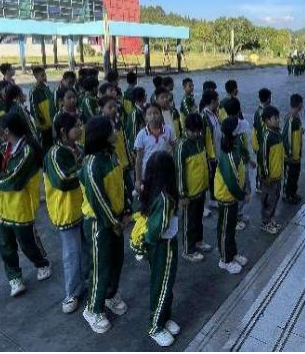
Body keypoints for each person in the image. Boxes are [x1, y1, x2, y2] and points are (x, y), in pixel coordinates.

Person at [0, 113, 51, 297]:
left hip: (20, 207)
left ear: (6, 131)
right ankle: (14, 277)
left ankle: (41, 263)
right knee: (5, 245)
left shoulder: (27, 151)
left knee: (27, 244)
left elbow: (15, 181)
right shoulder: (3, 148)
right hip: (0, 207)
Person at [80, 117, 130, 335]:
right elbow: (97, 199)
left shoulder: (112, 155)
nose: (115, 132)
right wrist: (113, 223)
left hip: (116, 219)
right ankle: (93, 308)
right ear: (102, 136)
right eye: (111, 130)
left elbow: (121, 184)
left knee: (117, 260)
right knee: (100, 266)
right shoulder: (92, 164)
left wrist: (126, 210)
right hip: (98, 223)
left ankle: (109, 295)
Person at [132, 151, 180, 348]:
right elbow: (155, 231)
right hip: (163, 247)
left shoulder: (155, 190)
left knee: (165, 284)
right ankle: (156, 326)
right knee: (162, 285)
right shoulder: (164, 198)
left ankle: (165, 317)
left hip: (164, 244)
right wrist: (148, 242)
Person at [44, 113, 86, 314]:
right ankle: (71, 293)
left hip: (83, 206)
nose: (80, 129)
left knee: (86, 250)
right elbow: (62, 180)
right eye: (76, 126)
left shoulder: (79, 148)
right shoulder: (54, 154)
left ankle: (87, 282)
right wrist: (84, 170)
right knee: (72, 254)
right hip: (66, 210)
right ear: (63, 132)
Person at [173, 112, 211, 263]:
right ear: (186, 129)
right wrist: (182, 194)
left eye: (198, 131)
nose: (196, 134)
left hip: (201, 189)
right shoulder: (182, 146)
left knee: (198, 218)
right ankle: (188, 250)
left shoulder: (200, 141)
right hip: (189, 193)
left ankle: (198, 241)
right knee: (189, 221)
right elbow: (179, 171)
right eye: (192, 131)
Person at [215, 117, 250, 275]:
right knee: (225, 229)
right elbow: (230, 181)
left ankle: (232, 252)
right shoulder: (229, 154)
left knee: (230, 228)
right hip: (227, 196)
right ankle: (225, 260)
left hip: (232, 196)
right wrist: (242, 195)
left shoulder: (235, 147)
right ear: (235, 134)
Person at [222, 97, 255, 231]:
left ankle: (238, 214)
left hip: (241, 163)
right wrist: (248, 159)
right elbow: (242, 146)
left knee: (243, 188)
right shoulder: (240, 125)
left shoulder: (227, 124)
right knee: (243, 190)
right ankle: (235, 218)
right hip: (240, 165)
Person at [134, 103, 176, 194]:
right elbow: (139, 159)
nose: (153, 116)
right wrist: (138, 179)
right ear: (145, 117)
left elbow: (175, 148)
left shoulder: (168, 130)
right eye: (149, 114)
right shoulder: (141, 134)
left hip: (165, 171)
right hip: (148, 174)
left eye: (156, 113)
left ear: (161, 115)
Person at [257, 105, 284, 235]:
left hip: (277, 175)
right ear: (267, 120)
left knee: (275, 198)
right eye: (275, 118)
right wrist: (265, 175)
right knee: (268, 200)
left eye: (278, 118)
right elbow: (262, 158)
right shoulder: (267, 137)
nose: (278, 120)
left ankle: (271, 219)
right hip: (269, 178)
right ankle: (265, 222)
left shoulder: (277, 134)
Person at [200, 90, 221, 216]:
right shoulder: (204, 117)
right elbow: (202, 138)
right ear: (213, 101)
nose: (219, 102)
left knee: (214, 177)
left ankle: (213, 199)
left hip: (216, 152)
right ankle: (202, 206)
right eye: (217, 100)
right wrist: (207, 156)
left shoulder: (214, 113)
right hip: (209, 154)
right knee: (208, 178)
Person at [282, 94, 304, 205]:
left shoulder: (296, 117)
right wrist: (289, 154)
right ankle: (287, 195)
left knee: (295, 176)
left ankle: (293, 193)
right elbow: (287, 137)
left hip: (296, 155)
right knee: (289, 176)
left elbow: (295, 134)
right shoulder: (291, 119)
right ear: (299, 104)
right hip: (290, 156)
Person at [29, 66, 57, 151]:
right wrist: (40, 123)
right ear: (36, 77)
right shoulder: (34, 91)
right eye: (42, 75)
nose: (45, 77)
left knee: (53, 142)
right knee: (45, 145)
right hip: (43, 125)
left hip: (51, 122)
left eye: (45, 74)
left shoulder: (46, 88)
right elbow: (34, 109)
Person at [125, 87, 147, 157]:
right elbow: (133, 133)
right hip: (139, 147)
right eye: (145, 94)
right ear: (143, 97)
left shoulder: (144, 109)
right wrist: (135, 149)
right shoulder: (134, 113)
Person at [252, 88, 272, 157]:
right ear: (268, 99)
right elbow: (265, 132)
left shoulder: (257, 111)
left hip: (260, 146)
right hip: (264, 147)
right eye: (270, 98)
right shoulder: (264, 113)